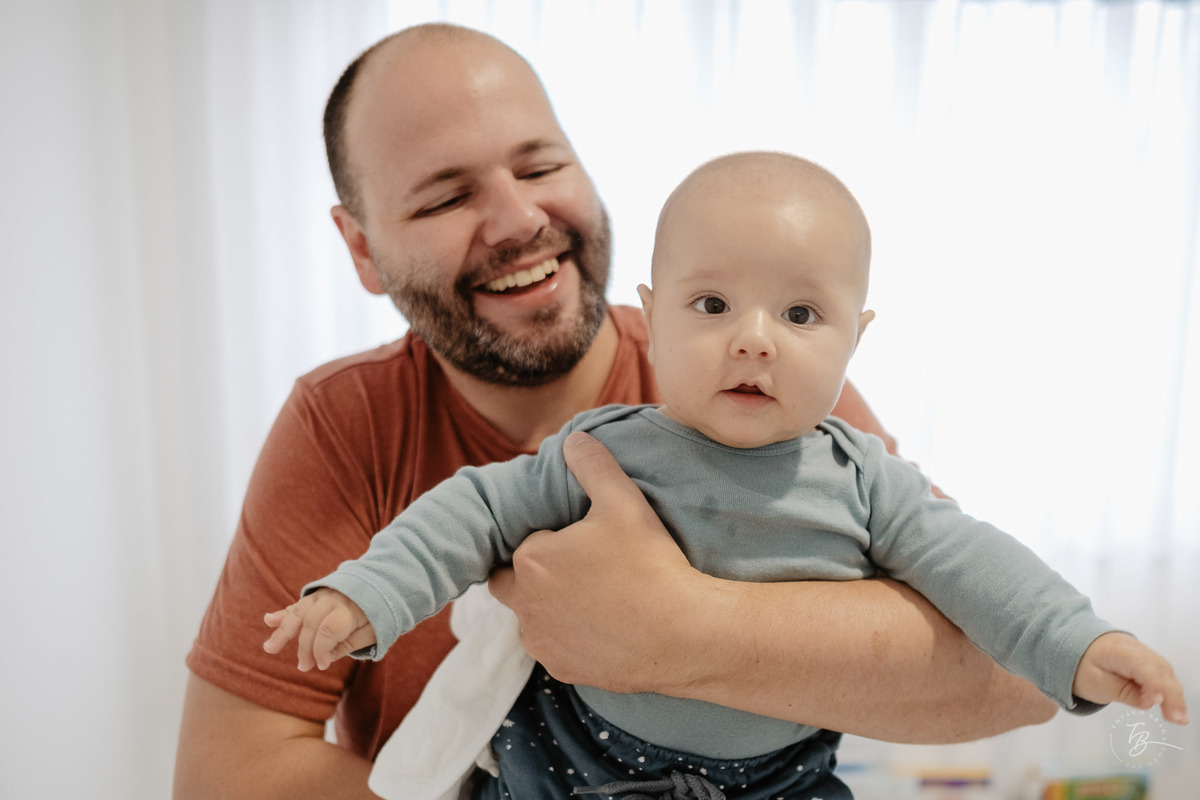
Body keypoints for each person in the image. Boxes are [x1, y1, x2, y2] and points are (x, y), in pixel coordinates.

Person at [174, 23, 1061, 800]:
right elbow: (229, 775)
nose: (520, 217)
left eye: (541, 164)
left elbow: (1009, 672)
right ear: (362, 250)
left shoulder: (765, 390)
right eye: (447, 196)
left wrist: (681, 632)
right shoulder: (347, 423)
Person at [262, 152, 1187, 799]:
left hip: (782, 780)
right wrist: (365, 596)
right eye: (711, 304)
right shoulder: (606, 447)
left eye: (799, 311)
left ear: (855, 342)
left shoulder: (866, 481)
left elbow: (980, 570)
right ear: (653, 320)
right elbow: (471, 513)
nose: (753, 336)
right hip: (572, 759)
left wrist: (1081, 644)